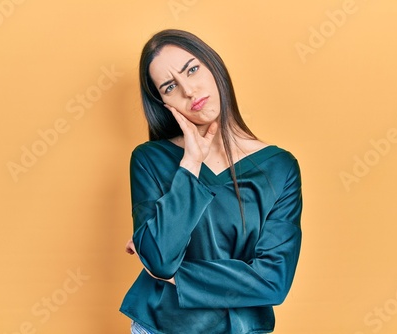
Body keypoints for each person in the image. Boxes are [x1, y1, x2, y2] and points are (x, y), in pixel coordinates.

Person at [120, 29, 302, 334]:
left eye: (192, 70)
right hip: (160, 327)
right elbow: (161, 260)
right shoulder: (149, 159)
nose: (189, 91)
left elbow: (273, 280)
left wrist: (176, 276)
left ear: (213, 66)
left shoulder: (280, 167)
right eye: (170, 87)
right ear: (163, 103)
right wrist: (190, 163)